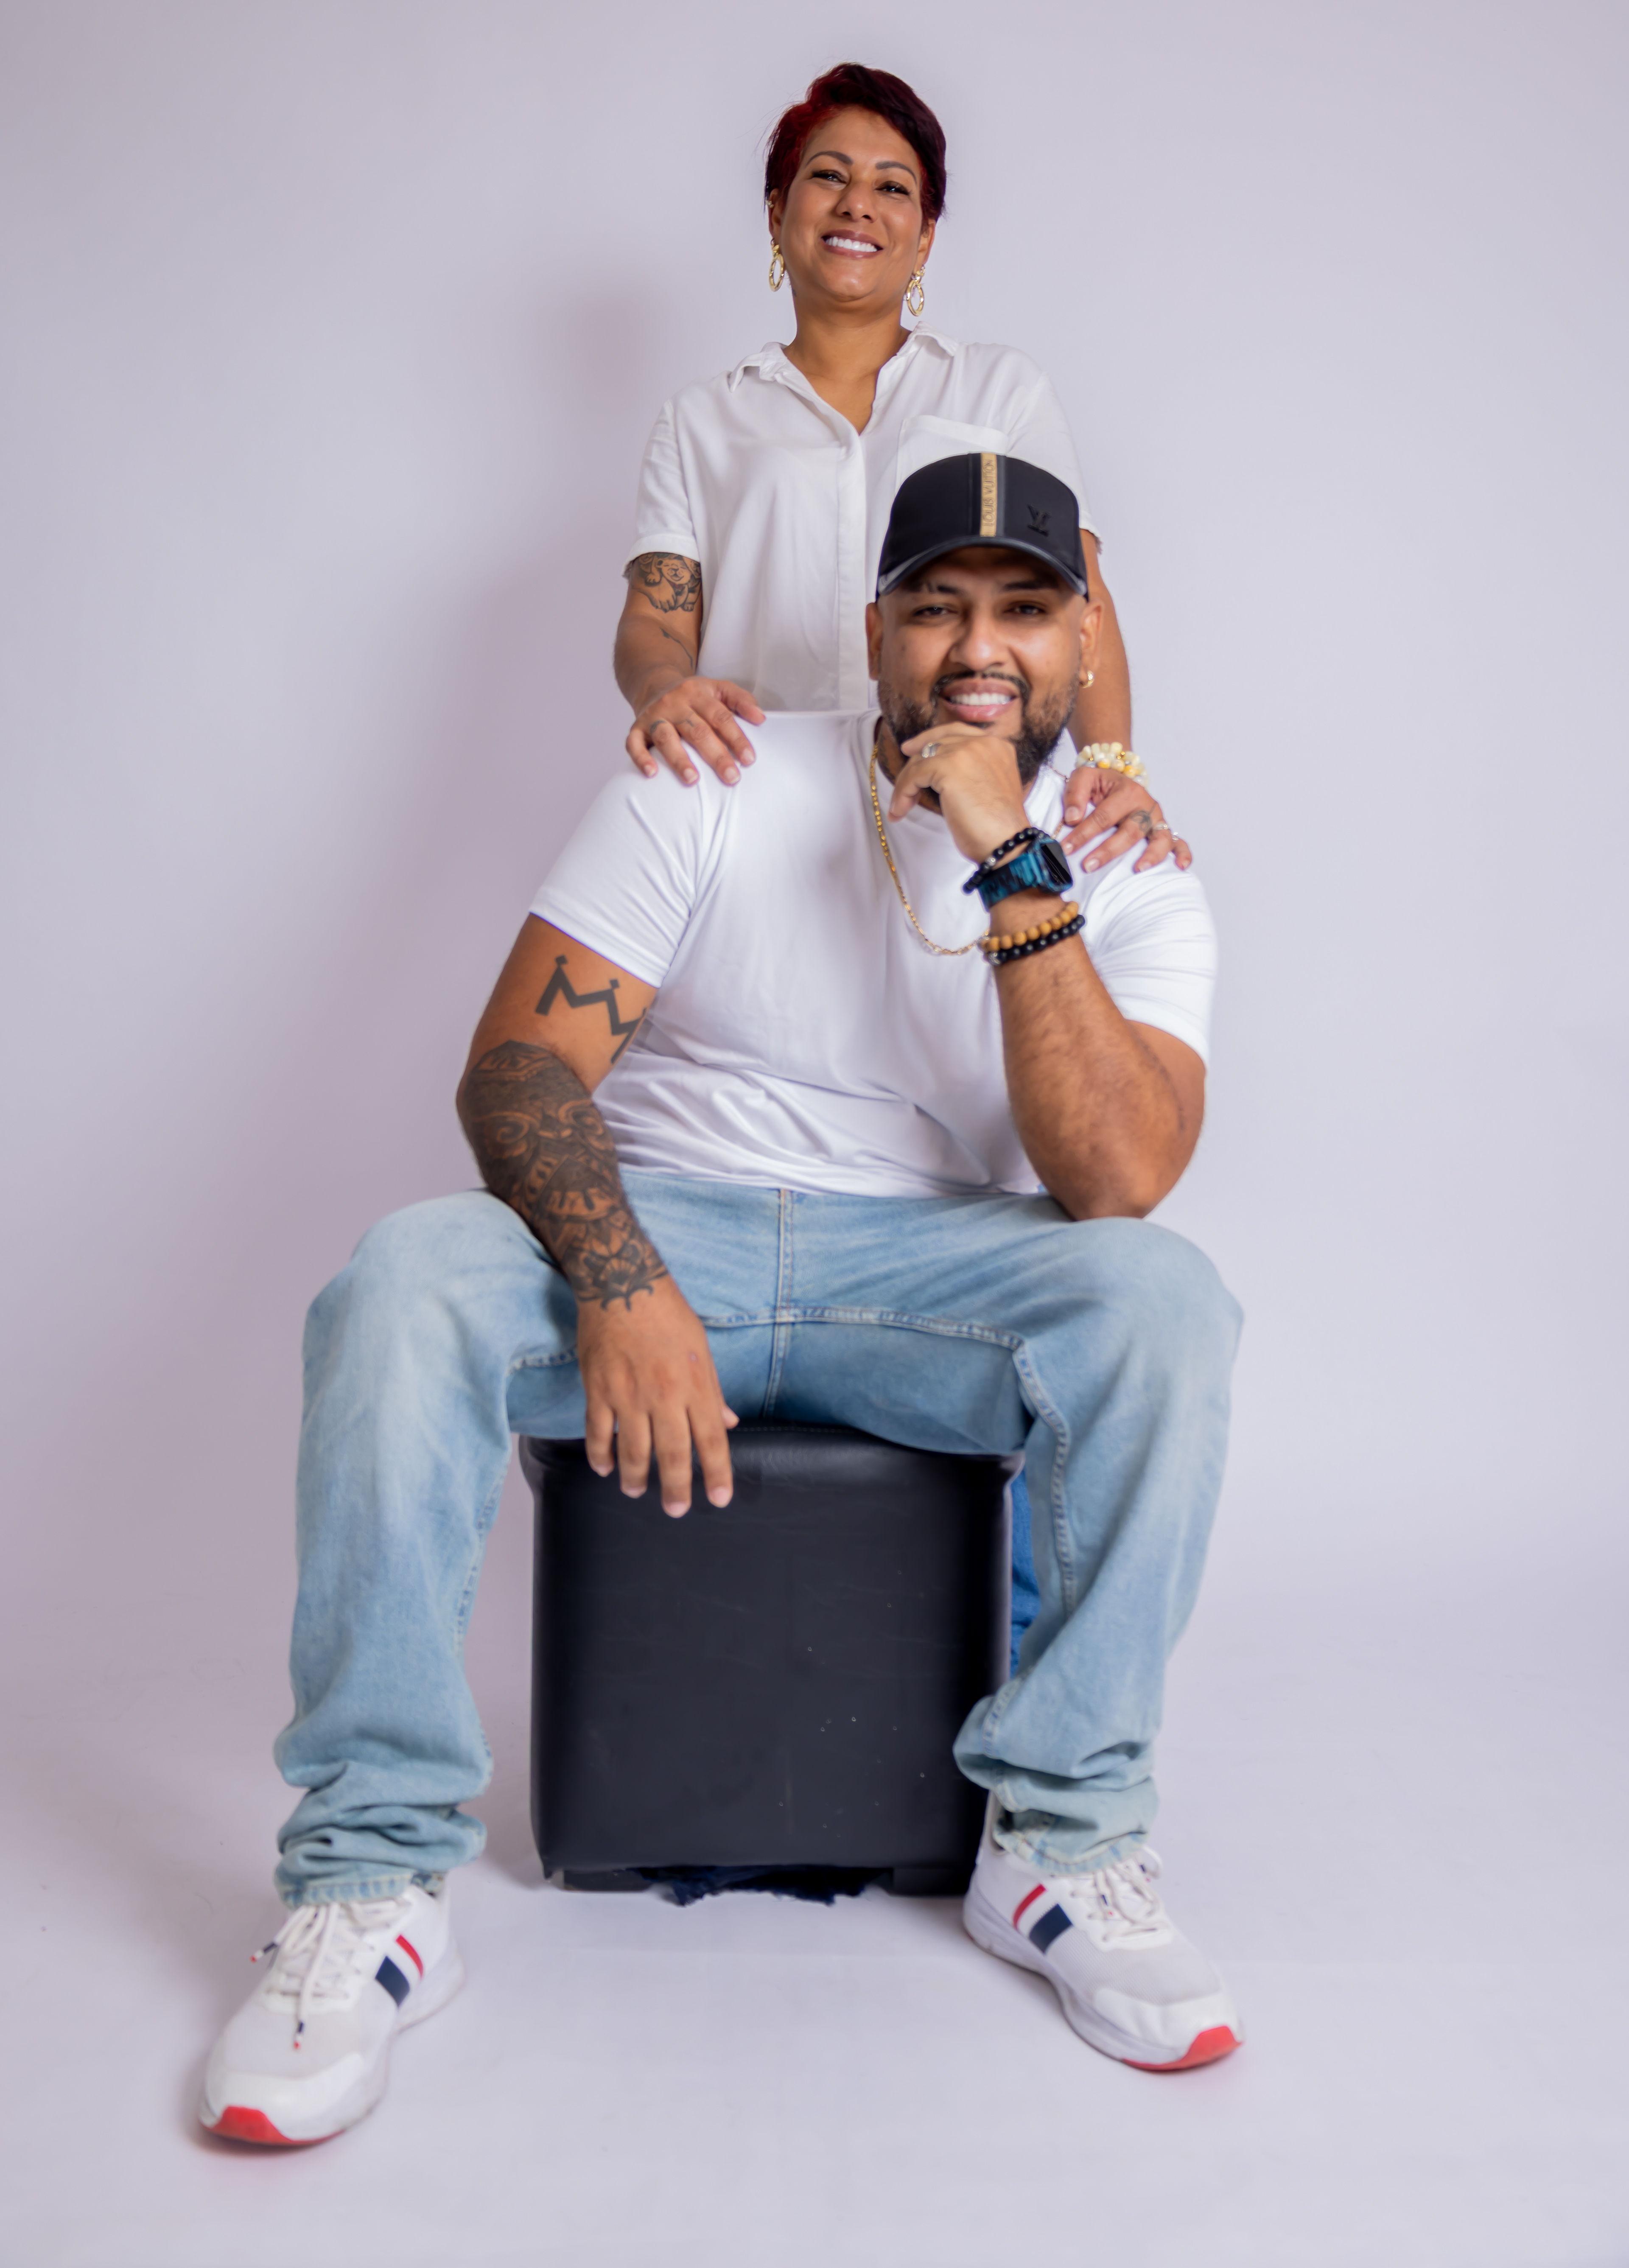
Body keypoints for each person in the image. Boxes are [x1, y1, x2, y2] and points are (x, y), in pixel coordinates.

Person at [200, 455, 1243, 2148]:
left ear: (1083, 641)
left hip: (929, 1269)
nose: (980, 646)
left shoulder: (1131, 870)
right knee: (403, 1278)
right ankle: (371, 1884)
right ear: (876, 631)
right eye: (938, 606)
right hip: (667, 1218)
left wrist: (1011, 856)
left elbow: (1116, 1179)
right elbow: (517, 1071)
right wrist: (620, 1284)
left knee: (1163, 1305)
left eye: (1026, 609)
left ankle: (1059, 1845)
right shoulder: (719, 773)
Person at [615, 62, 1190, 1658]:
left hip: (965, 829)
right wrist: (663, 690)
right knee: (747, 1140)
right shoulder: (707, 418)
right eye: (827, 176)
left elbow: (1079, 600)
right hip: (771, 829)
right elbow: (658, 613)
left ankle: (1011, 1670)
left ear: (929, 231)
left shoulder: (996, 388)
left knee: (1019, 1185)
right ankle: (726, 1639)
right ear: (777, 213)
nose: (857, 205)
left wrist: (1111, 773)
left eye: (893, 186)